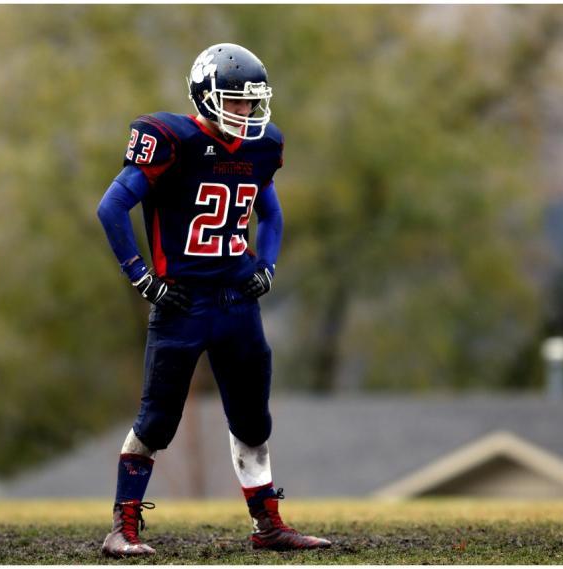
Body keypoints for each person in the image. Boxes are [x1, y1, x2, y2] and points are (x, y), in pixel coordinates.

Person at [96, 42, 331, 557]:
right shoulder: (171, 140)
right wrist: (141, 277)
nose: (246, 111)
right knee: (156, 420)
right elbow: (111, 207)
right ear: (205, 98)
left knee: (253, 419)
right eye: (236, 100)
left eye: (252, 101)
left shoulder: (261, 147)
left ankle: (267, 524)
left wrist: (266, 266)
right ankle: (123, 527)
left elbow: (271, 214)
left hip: (237, 302)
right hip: (182, 302)